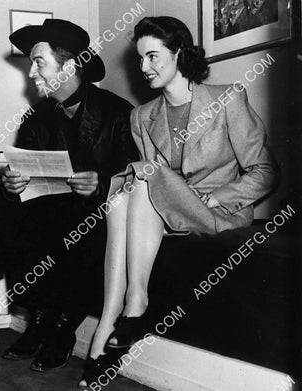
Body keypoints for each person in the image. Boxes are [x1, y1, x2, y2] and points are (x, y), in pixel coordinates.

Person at [79, 16, 277, 388]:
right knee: (123, 195)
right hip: (168, 214)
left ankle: (134, 304)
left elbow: (266, 172)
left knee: (144, 173)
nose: (143, 68)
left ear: (180, 54)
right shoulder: (141, 117)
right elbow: (151, 189)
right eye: (140, 59)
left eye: (153, 57)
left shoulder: (226, 98)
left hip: (216, 213)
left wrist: (218, 195)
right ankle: (111, 318)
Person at [0, 19, 138, 372]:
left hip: (97, 213)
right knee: (11, 214)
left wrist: (101, 184)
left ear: (70, 66)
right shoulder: (37, 117)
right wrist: (12, 185)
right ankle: (40, 317)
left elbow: (136, 171)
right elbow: (23, 167)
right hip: (49, 211)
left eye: (38, 62)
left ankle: (63, 327)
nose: (31, 73)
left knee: (78, 223)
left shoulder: (118, 112)